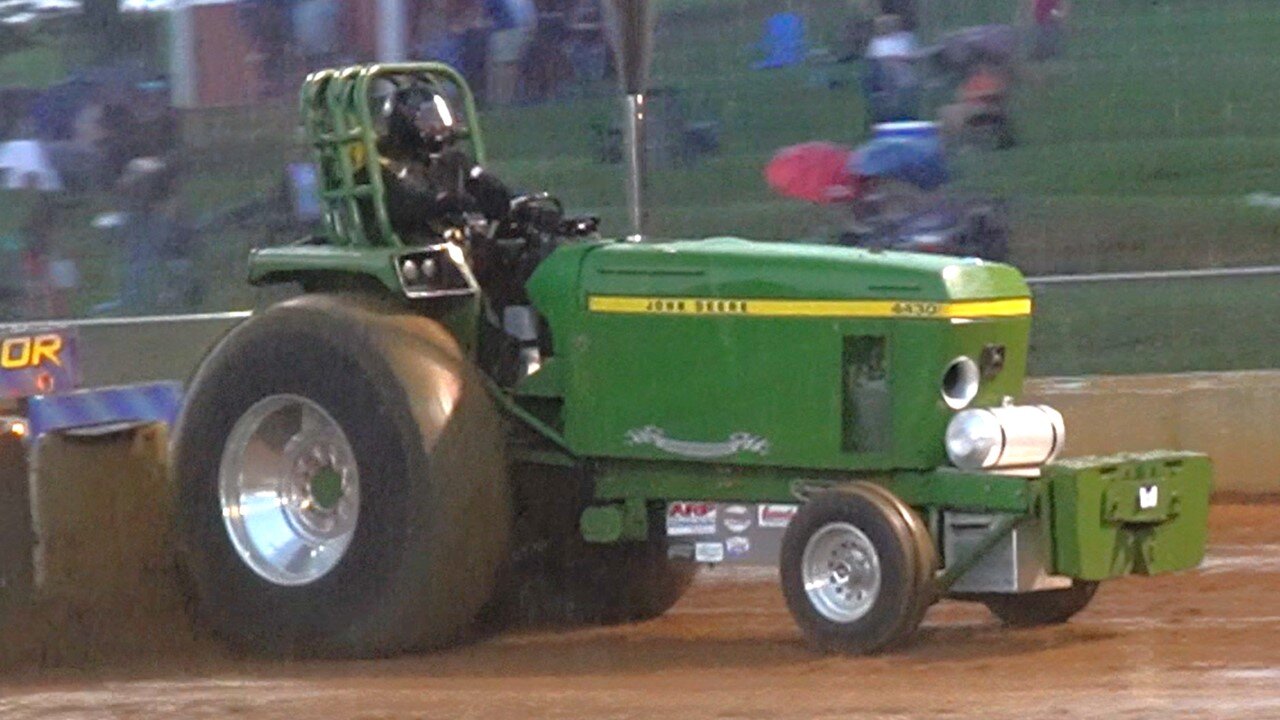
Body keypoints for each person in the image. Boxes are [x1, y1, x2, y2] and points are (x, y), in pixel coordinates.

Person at [484, 0, 537, 105]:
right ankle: (501, 98)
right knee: (504, 67)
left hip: (506, 32)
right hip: (511, 31)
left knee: (505, 68)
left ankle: (502, 99)